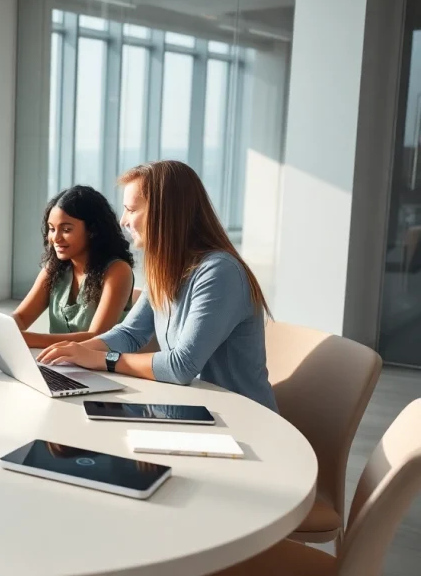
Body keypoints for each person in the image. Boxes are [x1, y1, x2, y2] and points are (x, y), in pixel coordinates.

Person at [37, 160, 277, 411]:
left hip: (241, 419)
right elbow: (130, 333)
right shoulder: (166, 268)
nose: (122, 221)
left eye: (131, 210)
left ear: (165, 213)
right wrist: (71, 353)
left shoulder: (219, 272)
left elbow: (181, 367)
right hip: (192, 408)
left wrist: (99, 359)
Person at [0, 185, 134, 350]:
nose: (55, 238)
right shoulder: (54, 269)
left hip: (104, 369)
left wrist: (17, 338)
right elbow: (22, 318)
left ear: (93, 230)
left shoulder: (117, 271)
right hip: (60, 364)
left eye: (66, 229)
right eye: (52, 229)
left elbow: (96, 337)